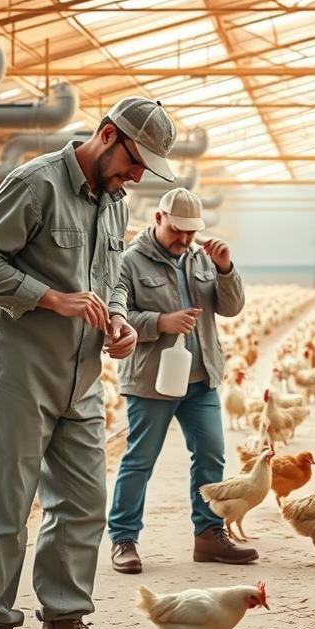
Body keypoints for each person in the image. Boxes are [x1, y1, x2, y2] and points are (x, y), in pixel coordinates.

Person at [0, 96, 178, 629]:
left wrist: (122, 323)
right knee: (7, 508)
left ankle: (62, 627)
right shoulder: (34, 184)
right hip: (17, 372)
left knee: (83, 503)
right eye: (135, 163)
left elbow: (109, 284)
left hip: (81, 377)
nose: (137, 177)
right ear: (107, 136)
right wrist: (51, 298)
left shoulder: (114, 205)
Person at [107, 187, 253, 572]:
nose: (185, 239)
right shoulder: (129, 262)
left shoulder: (201, 257)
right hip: (152, 379)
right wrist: (159, 323)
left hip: (201, 377)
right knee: (140, 460)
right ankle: (124, 539)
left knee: (211, 454)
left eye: (191, 232)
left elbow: (231, 307)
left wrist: (225, 269)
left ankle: (208, 536)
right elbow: (116, 313)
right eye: (177, 231)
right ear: (158, 219)